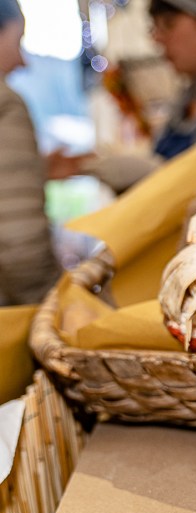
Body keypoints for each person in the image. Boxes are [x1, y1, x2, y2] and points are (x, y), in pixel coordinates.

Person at [49, 0, 196, 192]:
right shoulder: (186, 99)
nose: (157, 39)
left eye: (168, 25)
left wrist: (157, 176)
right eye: (154, 28)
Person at [0, 0, 62, 305]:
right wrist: (54, 302)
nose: (22, 61)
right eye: (17, 41)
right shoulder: (6, 104)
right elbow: (19, 239)